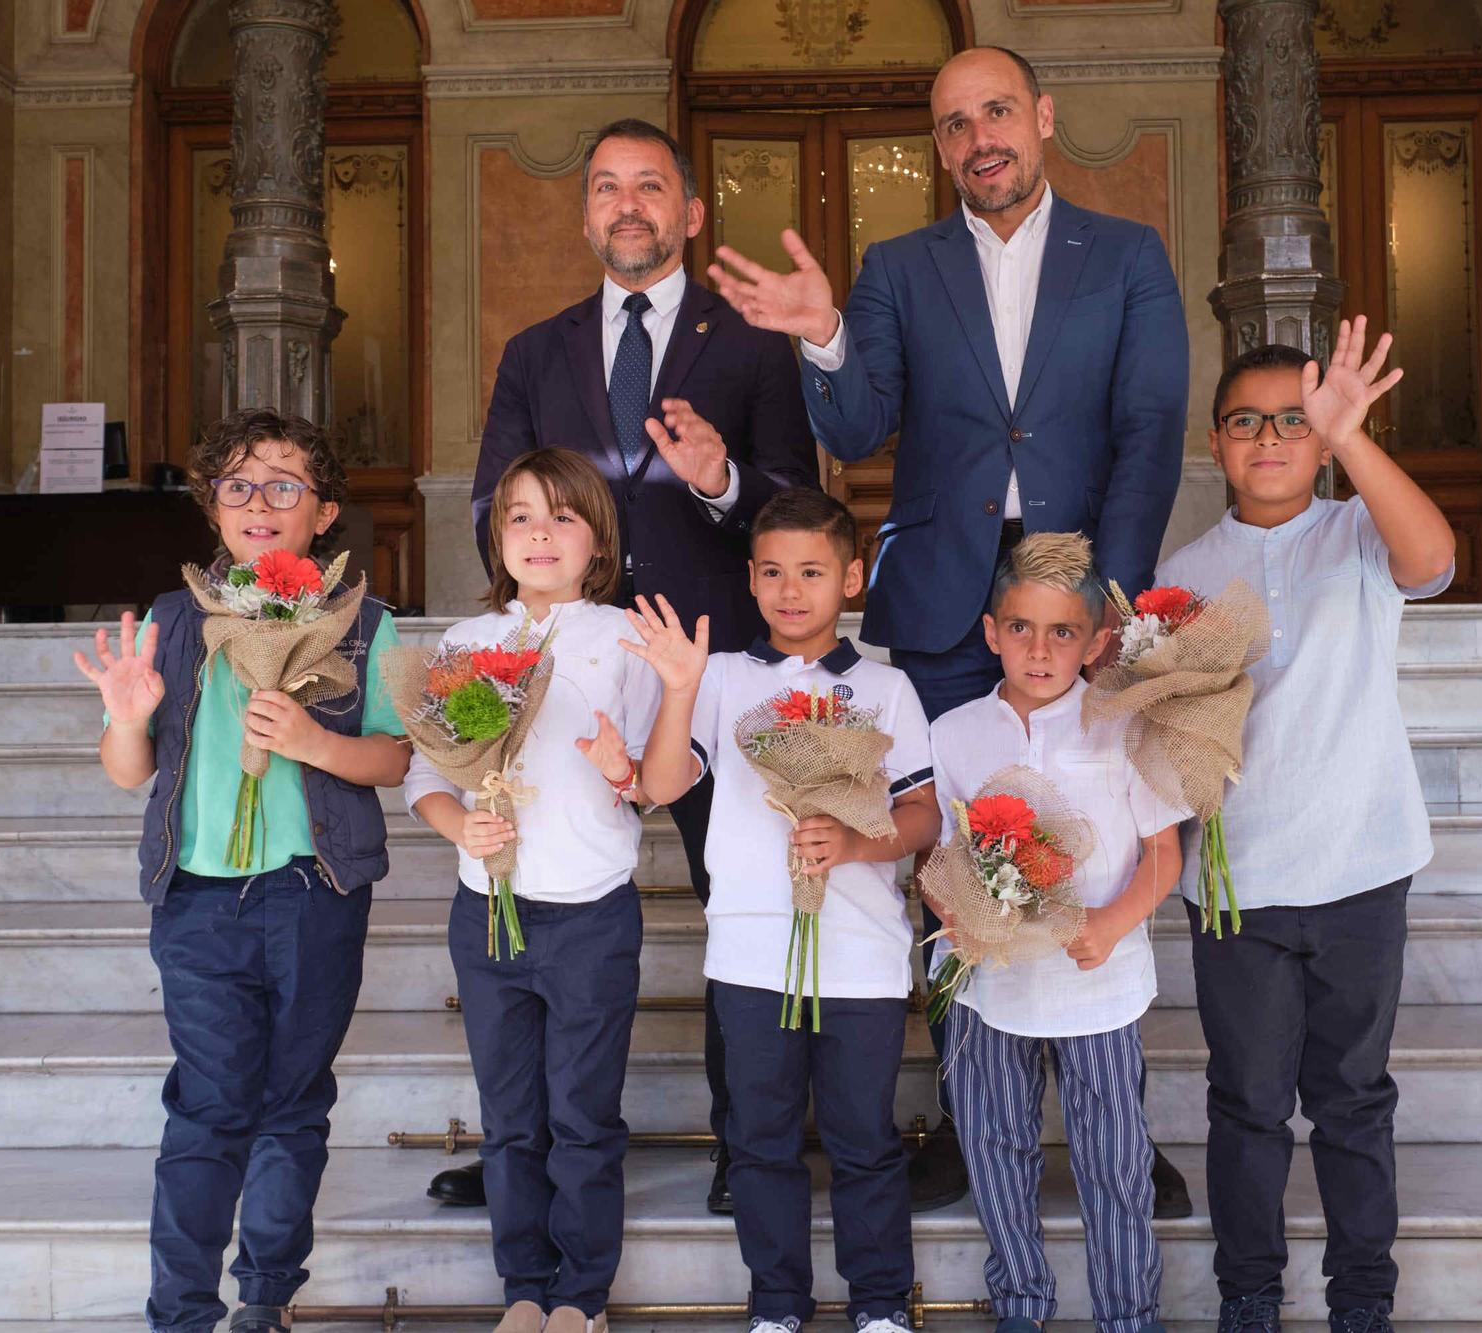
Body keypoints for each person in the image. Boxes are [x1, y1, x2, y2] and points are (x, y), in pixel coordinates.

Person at [707, 43, 1192, 1215]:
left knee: (1091, 840)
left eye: (995, 112)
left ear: (1041, 115)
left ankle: (1105, 1103)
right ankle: (965, 1106)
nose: (979, 137)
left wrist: (1108, 608)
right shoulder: (897, 265)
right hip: (937, 606)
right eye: (953, 123)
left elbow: (1148, 427)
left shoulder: (1125, 258)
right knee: (943, 857)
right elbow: (861, 420)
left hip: (1072, 602)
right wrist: (822, 331)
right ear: (937, 147)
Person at [458, 116, 819, 1215]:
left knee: (744, 902)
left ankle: (747, 1144)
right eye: (606, 187)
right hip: (558, 678)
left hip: (706, 663)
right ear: (584, 214)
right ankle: (521, 1152)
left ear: (691, 212)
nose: (627, 205)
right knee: (528, 901)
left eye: (650, 187)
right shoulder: (535, 351)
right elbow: (489, 501)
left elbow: (795, 506)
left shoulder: (752, 346)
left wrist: (718, 482)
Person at [75, 408, 410, 1333]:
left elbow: (393, 757)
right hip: (199, 900)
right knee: (209, 1104)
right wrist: (128, 716)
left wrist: (310, 741)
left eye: (285, 484)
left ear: (325, 512)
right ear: (213, 509)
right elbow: (130, 770)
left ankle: (264, 1294)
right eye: (237, 484)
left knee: (294, 1101)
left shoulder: (360, 622)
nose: (259, 500)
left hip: (315, 894)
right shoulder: (176, 621)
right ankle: (180, 1311)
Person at [1156, 319, 1456, 1333]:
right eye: (1246, 422)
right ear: (1215, 445)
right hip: (1236, 878)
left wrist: (1353, 437)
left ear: (1321, 440)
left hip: (1360, 864)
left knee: (1351, 1098)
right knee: (1243, 1102)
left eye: (1293, 421)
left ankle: (1359, 1300)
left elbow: (1434, 558)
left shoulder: (1358, 530)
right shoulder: (1186, 570)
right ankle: (1248, 1294)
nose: (1271, 438)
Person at [404, 448, 702, 1333]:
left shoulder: (624, 639)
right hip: (487, 910)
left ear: (597, 540)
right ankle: (525, 1288)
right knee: (510, 1116)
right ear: (498, 536)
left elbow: (668, 776)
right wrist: (466, 829)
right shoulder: (465, 643)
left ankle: (581, 1294)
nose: (541, 533)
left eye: (563, 516)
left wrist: (631, 768)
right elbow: (425, 775)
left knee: (581, 1113)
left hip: (589, 916)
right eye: (521, 515)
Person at [639, 489, 940, 1333]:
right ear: (751, 578)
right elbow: (662, 785)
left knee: (863, 1140)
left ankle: (880, 1304)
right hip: (748, 954)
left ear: (851, 578)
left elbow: (923, 816)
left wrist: (852, 839)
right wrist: (676, 690)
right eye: (771, 571)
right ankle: (777, 1303)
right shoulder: (724, 678)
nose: (790, 589)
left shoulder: (885, 686)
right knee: (761, 1141)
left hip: (861, 954)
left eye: (811, 571)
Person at [926, 532, 1186, 1333]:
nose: (1039, 650)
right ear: (990, 630)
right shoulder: (956, 731)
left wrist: (1111, 923)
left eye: (1062, 631)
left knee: (1112, 1161)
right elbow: (944, 850)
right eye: (1020, 628)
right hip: (989, 984)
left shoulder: (1123, 725)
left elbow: (1163, 853)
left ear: (1098, 639)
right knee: (997, 1148)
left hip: (1096, 983)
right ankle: (1021, 1303)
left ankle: (1128, 1315)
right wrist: (953, 911)